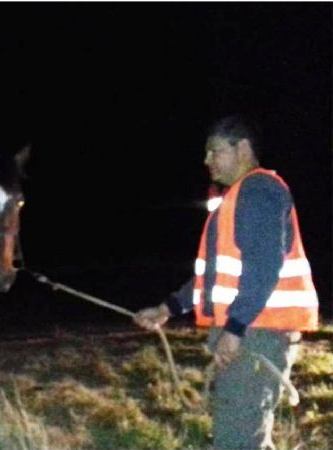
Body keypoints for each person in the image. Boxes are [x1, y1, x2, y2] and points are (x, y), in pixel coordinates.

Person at [134, 115, 319, 450]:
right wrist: (167, 308)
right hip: (250, 333)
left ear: (243, 148)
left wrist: (235, 329)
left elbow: (263, 267)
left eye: (214, 151)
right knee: (243, 435)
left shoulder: (259, 191)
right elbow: (216, 276)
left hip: (256, 337)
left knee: (237, 441)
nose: (206, 161)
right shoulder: (236, 199)